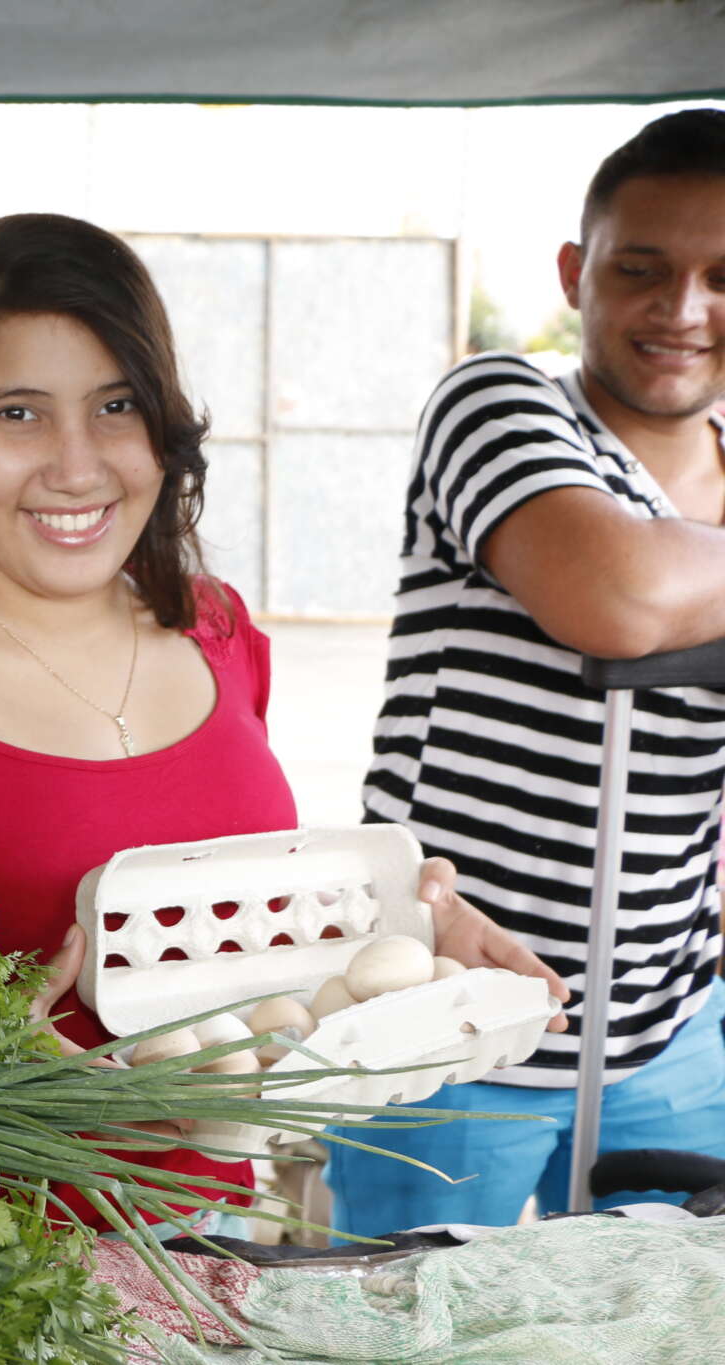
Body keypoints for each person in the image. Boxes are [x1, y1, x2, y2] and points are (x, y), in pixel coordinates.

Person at [0, 213, 565, 1235]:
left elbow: (228, 916)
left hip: (219, 1229)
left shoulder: (216, 633)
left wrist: (402, 933)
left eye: (116, 405)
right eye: (18, 414)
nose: (77, 466)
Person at [334, 108, 725, 1236]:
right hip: (446, 1017)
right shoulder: (499, 403)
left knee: (666, 1313)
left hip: (667, 1027)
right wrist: (652, 570)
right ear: (573, 273)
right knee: (400, 1310)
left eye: (720, 278)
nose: (682, 309)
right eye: (640, 269)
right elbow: (613, 594)